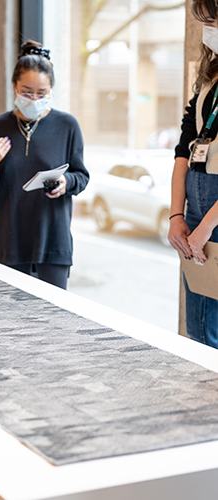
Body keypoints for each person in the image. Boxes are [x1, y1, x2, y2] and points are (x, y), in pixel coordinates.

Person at [0, 40, 89, 290]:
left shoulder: (67, 126)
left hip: (53, 240)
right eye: (27, 92)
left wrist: (65, 182)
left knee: (53, 320)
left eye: (42, 94)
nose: (34, 99)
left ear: (51, 90)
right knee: (11, 321)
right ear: (14, 86)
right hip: (11, 240)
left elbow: (81, 176)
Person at [169, 0, 218, 348]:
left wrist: (207, 226)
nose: (209, 28)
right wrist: (176, 215)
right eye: (205, 21)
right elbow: (184, 147)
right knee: (199, 329)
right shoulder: (210, 75)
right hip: (196, 210)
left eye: (214, 19)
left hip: (212, 217)